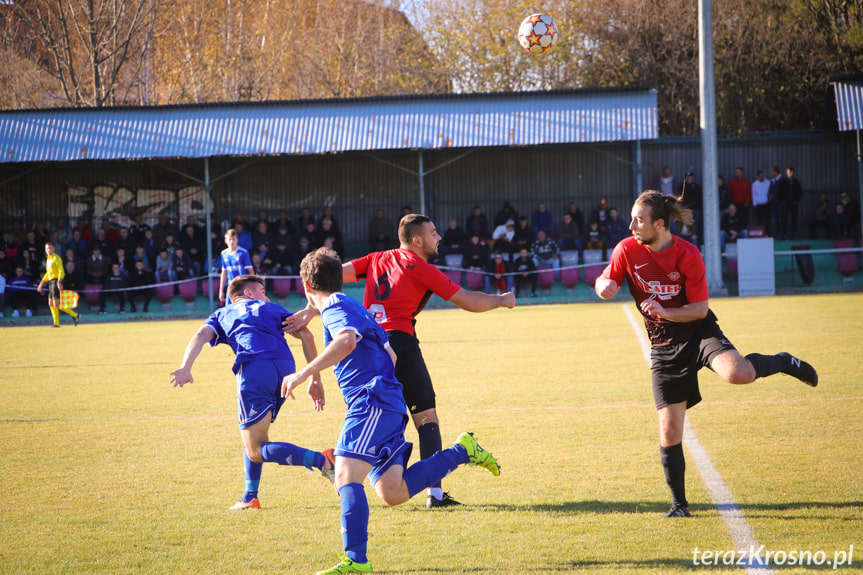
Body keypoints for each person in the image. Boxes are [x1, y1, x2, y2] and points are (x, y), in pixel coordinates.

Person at [595, 190, 818, 518]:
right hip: (663, 347)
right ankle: (679, 506)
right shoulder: (626, 250)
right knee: (669, 429)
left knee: (737, 374)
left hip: (698, 333)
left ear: (659, 224)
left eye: (638, 220)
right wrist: (603, 286)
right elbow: (605, 279)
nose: (631, 225)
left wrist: (665, 311)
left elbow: (700, 310)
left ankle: (784, 361)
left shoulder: (687, 254)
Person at [284, 247, 500, 575]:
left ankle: (356, 562)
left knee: (344, 474)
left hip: (372, 403)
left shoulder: (334, 308)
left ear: (305, 285)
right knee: (392, 491)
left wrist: (303, 375)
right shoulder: (352, 306)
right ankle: (462, 450)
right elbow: (391, 356)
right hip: (386, 403)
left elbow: (345, 342)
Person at [284, 214, 514, 508]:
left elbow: (327, 276)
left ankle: (382, 469)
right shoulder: (422, 267)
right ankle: (436, 494)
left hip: (368, 341)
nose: (438, 237)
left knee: (380, 408)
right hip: (397, 342)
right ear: (417, 241)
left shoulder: (377, 258)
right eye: (433, 233)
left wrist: (309, 309)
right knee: (426, 418)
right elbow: (468, 300)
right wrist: (502, 300)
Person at [170, 274, 334, 510]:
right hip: (286, 370)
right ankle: (250, 496)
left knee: (255, 449)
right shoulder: (274, 310)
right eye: (262, 291)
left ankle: (323, 460)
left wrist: (186, 367)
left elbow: (200, 336)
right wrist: (314, 379)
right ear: (248, 293)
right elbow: (306, 334)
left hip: (255, 369)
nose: (266, 296)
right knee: (252, 437)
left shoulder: (221, 313)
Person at [36, 242, 79, 327]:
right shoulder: (48, 259)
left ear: (54, 249)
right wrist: (41, 283)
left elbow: (61, 271)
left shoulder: (57, 258)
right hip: (51, 282)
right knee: (51, 303)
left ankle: (75, 316)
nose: (49, 250)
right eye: (47, 248)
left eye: (50, 248)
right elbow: (48, 273)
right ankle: (57, 323)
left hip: (56, 281)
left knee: (56, 304)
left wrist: (59, 281)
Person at [219, 229, 254, 305]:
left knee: (243, 308)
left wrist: (252, 286)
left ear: (237, 240)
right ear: (226, 240)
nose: (231, 242)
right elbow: (224, 273)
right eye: (230, 239)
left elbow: (250, 271)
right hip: (231, 287)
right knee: (229, 309)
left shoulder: (243, 252)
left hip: (242, 287)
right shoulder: (224, 254)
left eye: (233, 239)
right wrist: (221, 290)